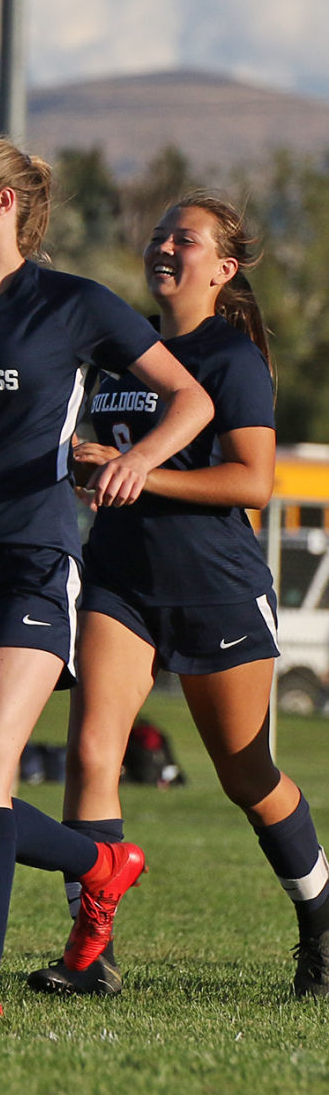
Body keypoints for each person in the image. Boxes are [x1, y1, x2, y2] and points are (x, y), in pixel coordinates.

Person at [0, 137, 213, 1016]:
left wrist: (138, 459)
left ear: (1, 206)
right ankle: (101, 862)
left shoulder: (72, 304)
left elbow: (192, 399)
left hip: (30, 557)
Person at [28, 193, 328, 999]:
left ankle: (321, 921)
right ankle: (91, 952)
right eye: (157, 233)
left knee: (247, 777)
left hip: (214, 590)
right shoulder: (123, 348)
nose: (163, 246)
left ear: (223, 267)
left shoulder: (231, 358)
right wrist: (94, 464)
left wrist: (139, 473)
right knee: (93, 753)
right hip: (119, 582)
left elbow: (253, 482)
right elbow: (114, 465)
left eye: (183, 238)